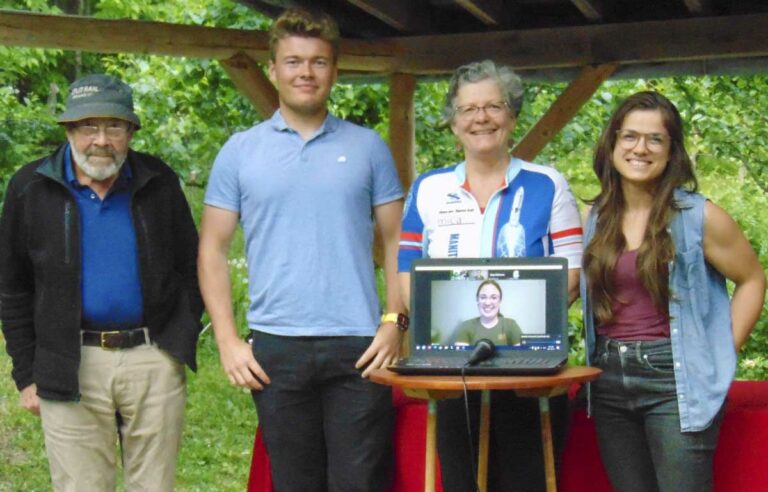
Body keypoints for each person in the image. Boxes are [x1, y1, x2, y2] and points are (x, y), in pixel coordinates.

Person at [198, 8, 406, 492]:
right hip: (276, 346)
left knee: (361, 483)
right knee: (294, 483)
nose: (305, 73)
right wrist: (227, 340)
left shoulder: (368, 147)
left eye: (317, 62)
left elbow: (400, 239)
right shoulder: (240, 151)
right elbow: (212, 247)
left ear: (335, 71)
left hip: (360, 345)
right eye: (293, 62)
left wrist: (395, 322)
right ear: (273, 70)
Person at [0, 74, 203, 491]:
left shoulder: (158, 181)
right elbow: (12, 287)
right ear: (70, 130)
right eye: (88, 126)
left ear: (130, 131)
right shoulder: (31, 187)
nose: (101, 140)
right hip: (69, 360)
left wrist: (176, 343)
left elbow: (192, 263)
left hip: (152, 358)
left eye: (114, 126)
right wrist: (27, 374)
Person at [398, 60, 583, 492]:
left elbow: (571, 277)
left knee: (528, 482)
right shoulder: (428, 188)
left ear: (513, 115)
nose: (481, 118)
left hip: (529, 369)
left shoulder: (548, 184)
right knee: (462, 483)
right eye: (468, 109)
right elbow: (409, 276)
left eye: (494, 106)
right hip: (452, 367)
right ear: (452, 121)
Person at [581, 91, 766, 492]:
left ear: (671, 151)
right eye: (629, 136)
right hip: (608, 378)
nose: (640, 148)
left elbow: (752, 280)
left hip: (676, 379)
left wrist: (720, 349)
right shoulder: (593, 220)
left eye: (655, 139)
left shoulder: (700, 216)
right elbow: (564, 291)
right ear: (612, 143)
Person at [451, 279, 522, 345]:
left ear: (500, 301)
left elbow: (522, 355)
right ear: (477, 300)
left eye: (493, 298)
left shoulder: (511, 325)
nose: (487, 303)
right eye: (483, 297)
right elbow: (460, 357)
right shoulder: (466, 326)